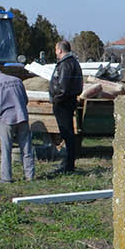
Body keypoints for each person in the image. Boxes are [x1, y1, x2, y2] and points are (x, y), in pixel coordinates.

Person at [0, 67, 34, 182]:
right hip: (22, 117)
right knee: (26, 148)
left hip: (6, 120)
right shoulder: (17, 80)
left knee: (6, 149)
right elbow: (25, 100)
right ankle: (30, 176)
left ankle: (6, 178)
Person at [49, 39, 83, 174]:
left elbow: (63, 87)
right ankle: (68, 163)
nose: (55, 52)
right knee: (67, 133)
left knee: (67, 133)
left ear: (60, 50)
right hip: (67, 102)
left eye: (56, 50)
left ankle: (68, 166)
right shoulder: (72, 62)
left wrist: (56, 100)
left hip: (63, 103)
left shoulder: (66, 64)